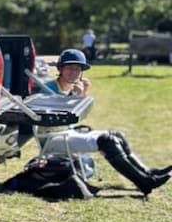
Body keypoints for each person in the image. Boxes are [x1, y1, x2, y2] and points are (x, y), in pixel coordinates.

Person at [40, 48, 171, 195]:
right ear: (60, 69)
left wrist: (81, 95)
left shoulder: (71, 87)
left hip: (66, 132)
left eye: (77, 69)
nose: (74, 72)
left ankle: (147, 172)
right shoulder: (48, 89)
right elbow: (54, 117)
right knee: (107, 140)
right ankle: (144, 182)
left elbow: (78, 116)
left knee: (117, 135)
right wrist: (74, 96)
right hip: (52, 138)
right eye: (69, 68)